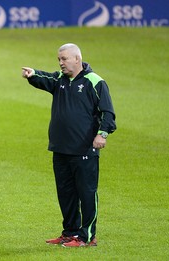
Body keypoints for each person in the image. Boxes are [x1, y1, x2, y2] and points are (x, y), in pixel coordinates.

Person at [21, 43, 116, 247]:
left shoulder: (95, 82)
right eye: (59, 60)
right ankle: (70, 232)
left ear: (77, 59)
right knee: (66, 194)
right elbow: (45, 78)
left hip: (84, 149)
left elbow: (108, 112)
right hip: (60, 149)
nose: (61, 63)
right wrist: (32, 74)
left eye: (64, 59)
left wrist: (102, 134)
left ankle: (87, 236)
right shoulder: (60, 80)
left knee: (86, 193)